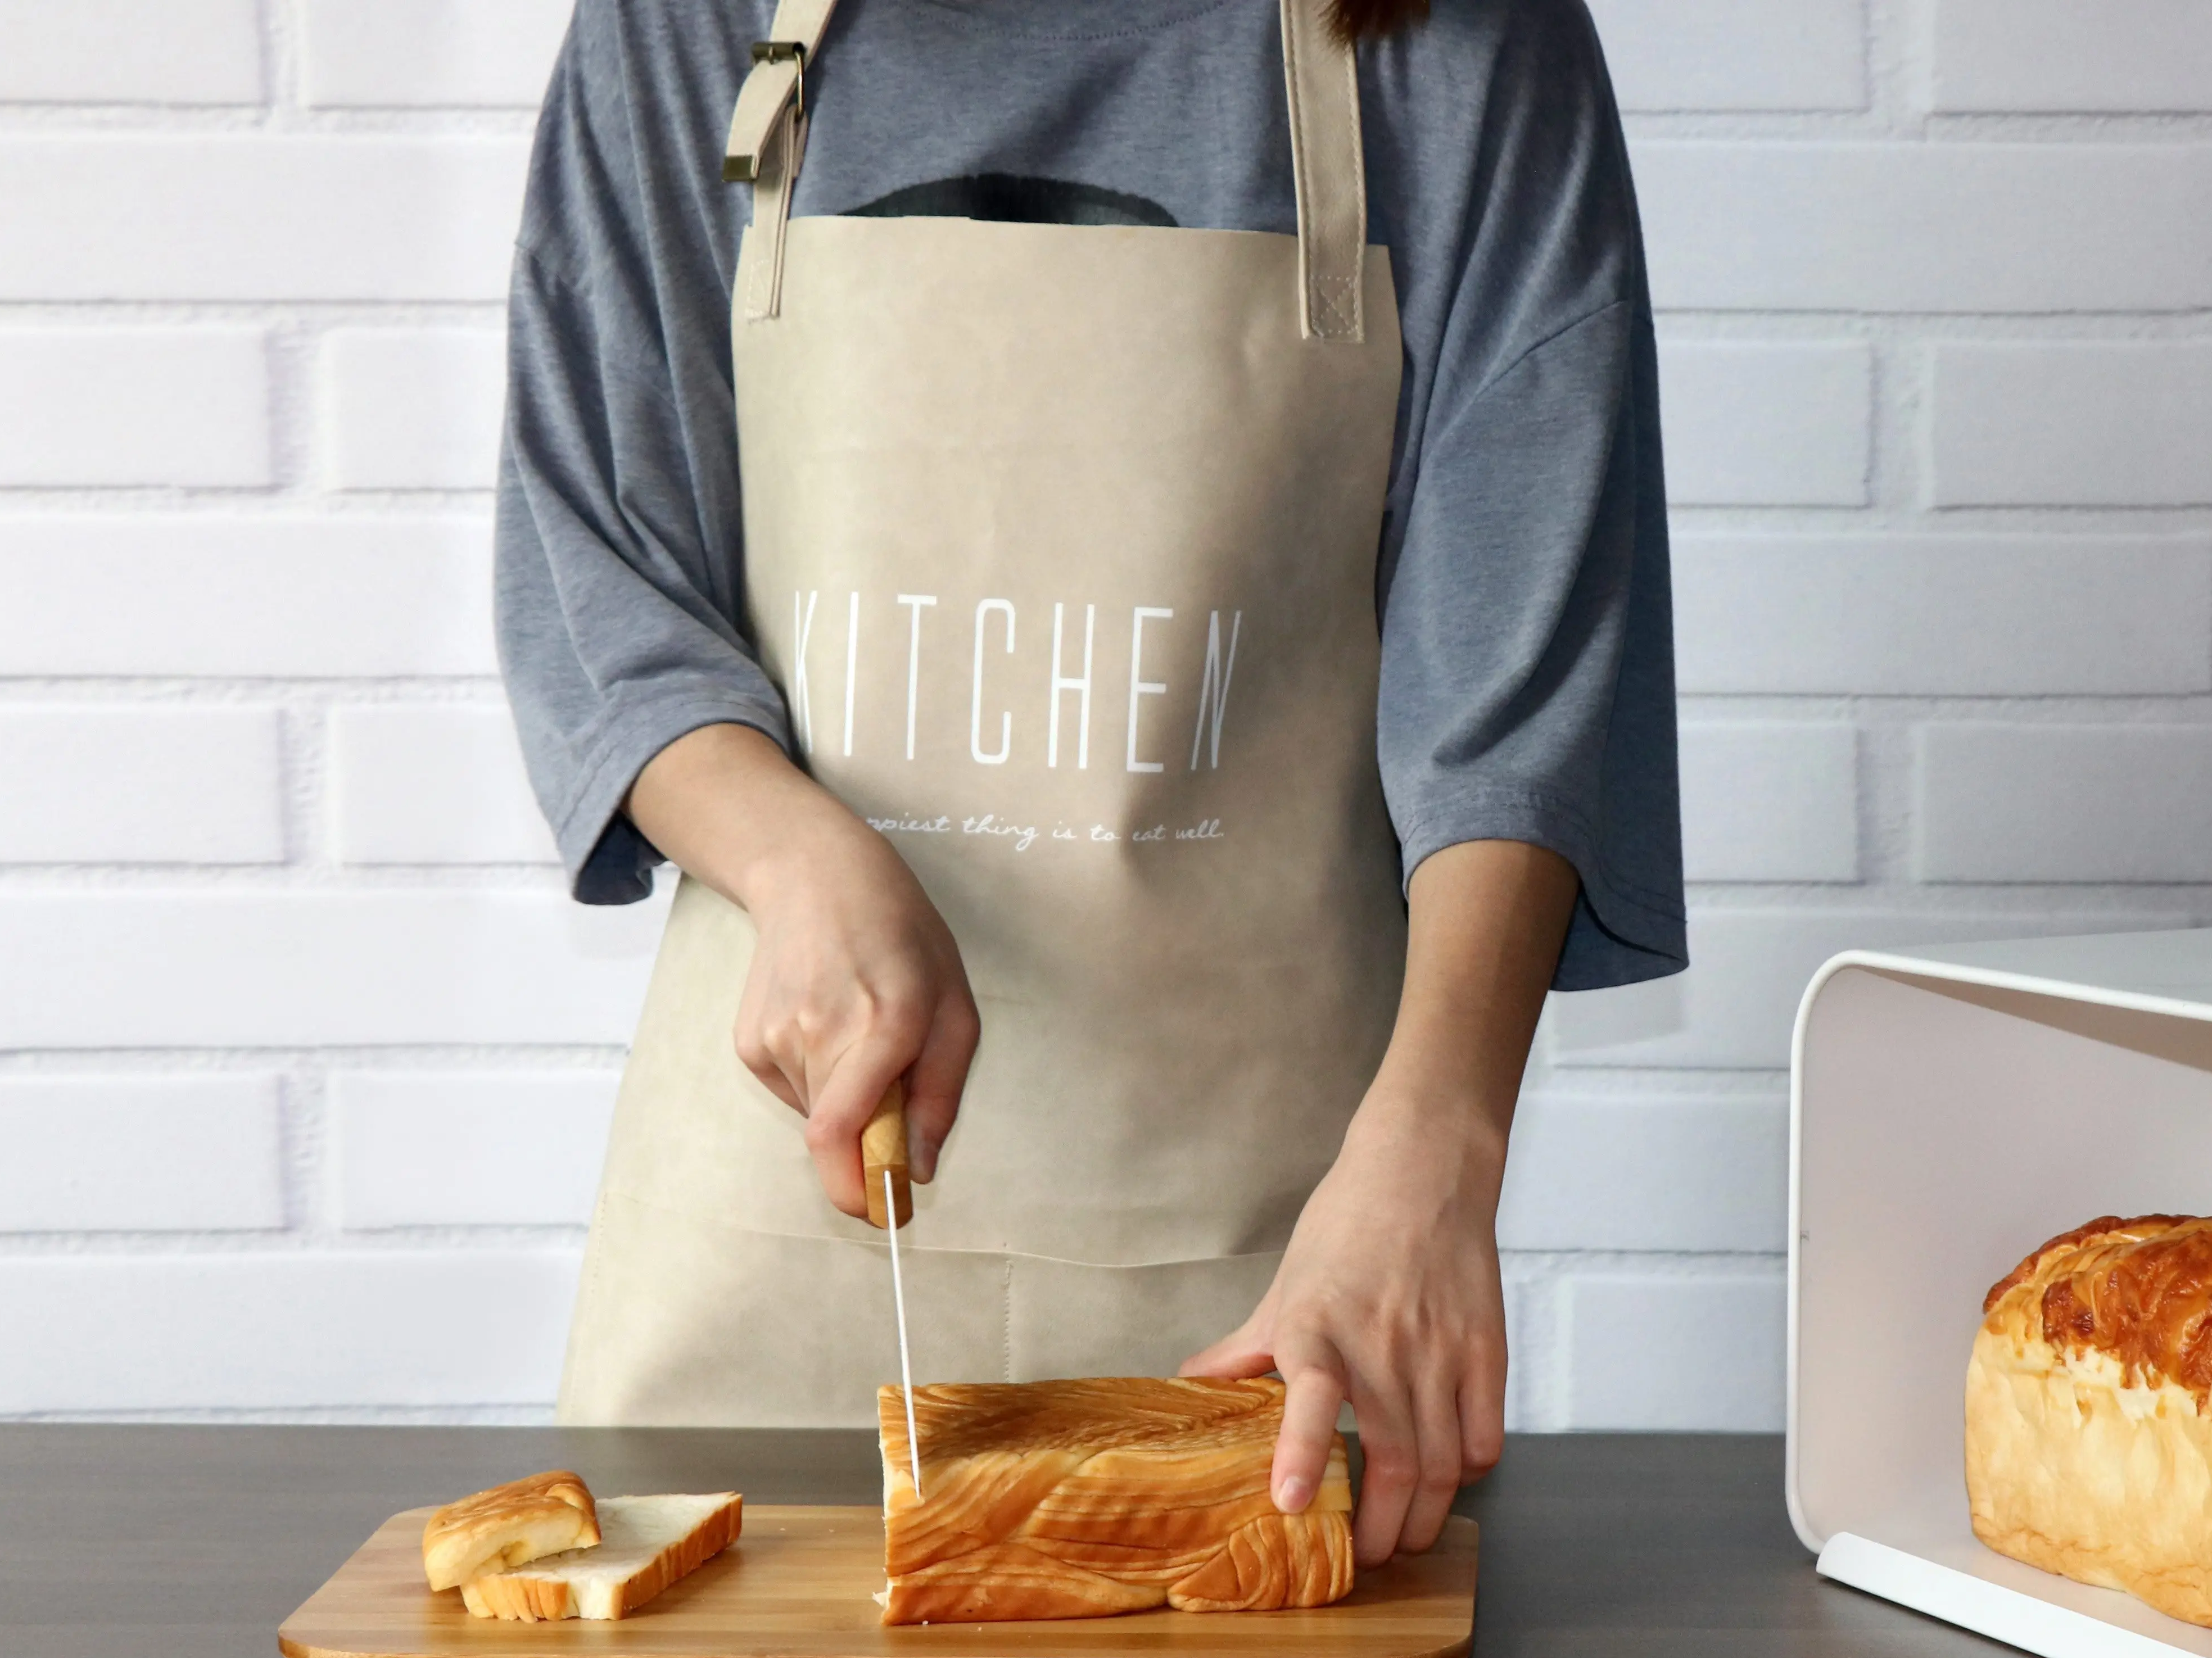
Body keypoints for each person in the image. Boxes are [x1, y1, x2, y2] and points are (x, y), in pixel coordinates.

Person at [494, 0, 1682, 1568]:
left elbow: (1519, 677)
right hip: (758, 1266)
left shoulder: (1459, 32)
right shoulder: (689, 17)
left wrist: (1437, 1161)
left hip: (1280, 1287)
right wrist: (790, 861)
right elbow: (602, 572)